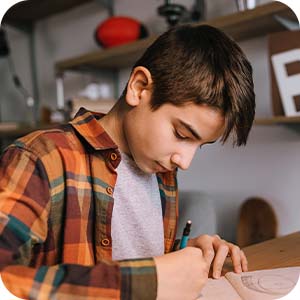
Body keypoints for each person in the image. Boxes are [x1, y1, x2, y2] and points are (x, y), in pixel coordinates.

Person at [0, 24, 255, 300]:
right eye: (181, 134)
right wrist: (148, 281)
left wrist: (183, 255)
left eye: (200, 146)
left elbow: (138, 258)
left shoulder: (162, 173)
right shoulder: (39, 158)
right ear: (139, 87)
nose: (185, 162)